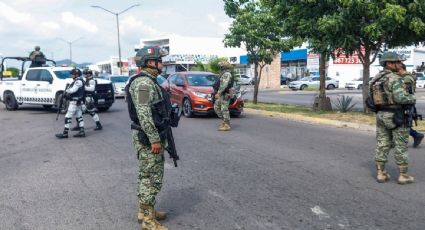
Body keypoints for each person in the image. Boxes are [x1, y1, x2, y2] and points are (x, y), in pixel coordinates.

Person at [126, 46, 170, 230]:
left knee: (147, 174)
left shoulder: (150, 81)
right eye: (160, 60)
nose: (162, 64)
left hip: (149, 134)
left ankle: (145, 210)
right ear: (150, 62)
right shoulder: (144, 83)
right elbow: (144, 113)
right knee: (152, 177)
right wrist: (154, 139)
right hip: (147, 137)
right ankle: (148, 220)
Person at [369, 52, 416, 185]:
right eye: (397, 62)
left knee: (382, 144)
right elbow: (401, 98)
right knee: (401, 145)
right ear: (389, 63)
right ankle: (403, 175)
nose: (400, 64)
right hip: (397, 116)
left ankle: (381, 173)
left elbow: (370, 99)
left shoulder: (375, 79)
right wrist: (412, 98)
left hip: (381, 115)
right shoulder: (394, 78)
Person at [55, 69, 86, 138]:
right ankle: (82, 131)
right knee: (79, 116)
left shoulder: (78, 81)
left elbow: (73, 90)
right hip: (78, 101)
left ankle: (65, 133)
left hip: (74, 102)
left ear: (76, 75)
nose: (71, 75)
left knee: (68, 117)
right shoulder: (79, 81)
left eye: (72, 74)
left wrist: (66, 91)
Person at [399, 63, 424, 147]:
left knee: (404, 123)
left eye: (397, 69)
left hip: (407, 104)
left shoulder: (407, 78)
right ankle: (415, 136)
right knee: (401, 123)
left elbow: (405, 92)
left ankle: (416, 136)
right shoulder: (405, 77)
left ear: (401, 69)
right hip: (406, 103)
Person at [214, 60, 234, 131]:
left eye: (221, 66)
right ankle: (225, 121)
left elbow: (224, 85)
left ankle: (227, 124)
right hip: (222, 94)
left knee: (224, 109)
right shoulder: (223, 73)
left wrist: (218, 93)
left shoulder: (227, 74)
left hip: (225, 94)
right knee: (216, 107)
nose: (220, 67)